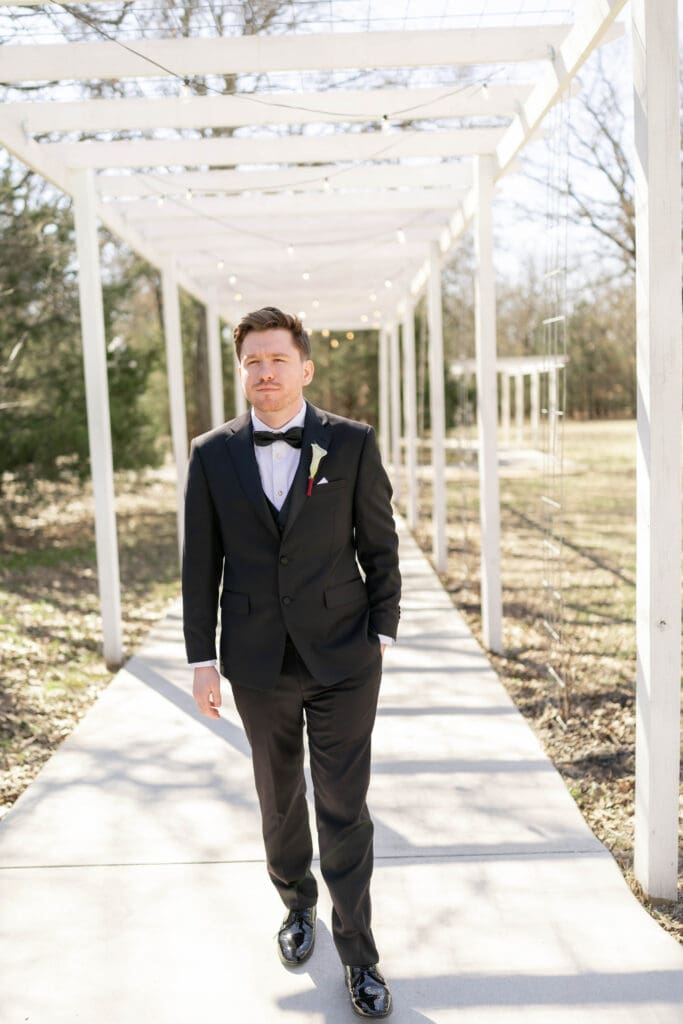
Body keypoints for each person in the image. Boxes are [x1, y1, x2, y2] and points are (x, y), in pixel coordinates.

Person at [182, 306, 401, 1019]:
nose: (264, 372)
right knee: (279, 797)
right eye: (252, 361)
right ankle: (296, 905)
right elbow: (198, 565)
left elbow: (380, 545)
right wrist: (202, 659)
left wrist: (383, 635)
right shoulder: (210, 453)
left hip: (343, 657)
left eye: (277, 359)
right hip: (254, 661)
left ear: (304, 367)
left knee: (344, 806)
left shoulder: (351, 443)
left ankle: (359, 953)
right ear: (240, 371)